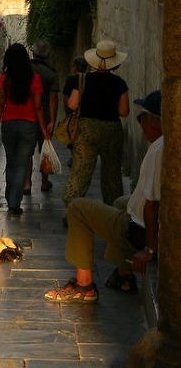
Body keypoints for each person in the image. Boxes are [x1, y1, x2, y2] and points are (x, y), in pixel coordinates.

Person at [44, 90, 162, 303]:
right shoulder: (164, 145)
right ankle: (124, 276)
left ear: (155, 122)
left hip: (139, 230)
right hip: (148, 222)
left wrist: (150, 250)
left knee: (78, 209)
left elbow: (152, 206)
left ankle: (84, 283)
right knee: (119, 202)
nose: (141, 123)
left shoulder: (158, 150)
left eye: (142, 117)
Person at [63, 40, 129, 209]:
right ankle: (114, 211)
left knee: (81, 171)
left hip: (87, 128)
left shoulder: (82, 79)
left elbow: (72, 105)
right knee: (112, 173)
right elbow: (124, 111)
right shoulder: (120, 83)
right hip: (112, 129)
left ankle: (72, 208)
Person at [0, 43, 50, 216]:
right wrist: (44, 130)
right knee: (22, 164)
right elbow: (38, 107)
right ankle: (15, 202)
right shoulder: (35, 79)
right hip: (28, 125)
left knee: (11, 162)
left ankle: (11, 199)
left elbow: (0, 105)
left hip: (9, 124)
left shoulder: (5, 79)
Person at [24, 40, 59, 193]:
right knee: (44, 148)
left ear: (33, 52)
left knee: (27, 151)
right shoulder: (51, 73)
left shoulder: (25, 70)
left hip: (28, 112)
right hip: (44, 114)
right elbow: (53, 99)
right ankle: (44, 182)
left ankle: (27, 183)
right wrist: (52, 120)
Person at [61, 56, 88, 167]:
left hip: (74, 111)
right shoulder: (89, 78)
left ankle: (74, 157)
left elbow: (66, 97)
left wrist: (67, 111)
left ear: (75, 67)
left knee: (73, 134)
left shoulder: (70, 79)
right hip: (87, 112)